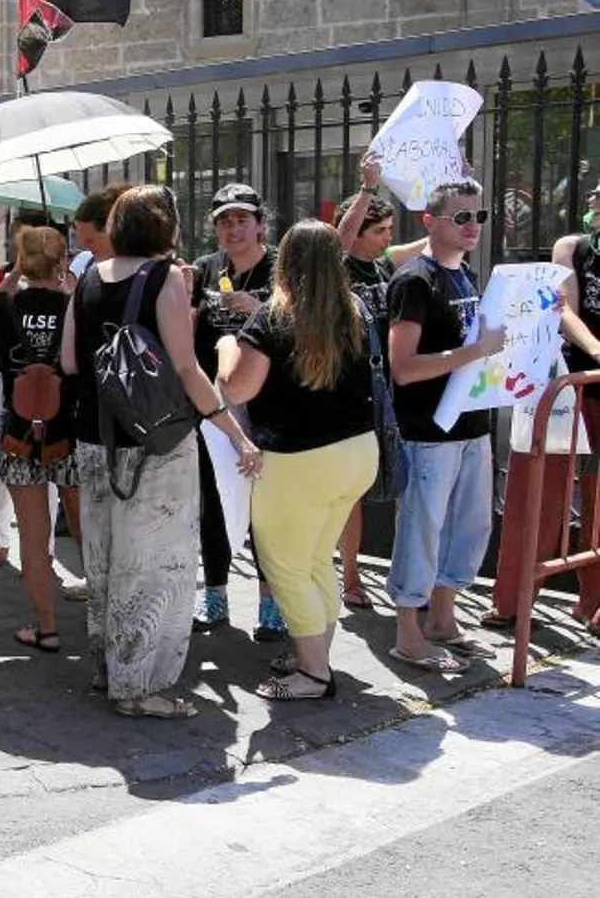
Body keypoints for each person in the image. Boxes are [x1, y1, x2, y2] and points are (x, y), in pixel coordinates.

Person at [60, 186, 262, 720]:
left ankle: (109, 668)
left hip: (94, 437)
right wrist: (234, 433)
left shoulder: (87, 276)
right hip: (156, 442)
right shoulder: (165, 278)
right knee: (154, 566)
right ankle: (138, 685)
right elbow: (186, 368)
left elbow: (70, 362)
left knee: (103, 559)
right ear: (166, 227)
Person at [217, 220, 379, 700]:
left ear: (284, 260)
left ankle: (312, 673)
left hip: (299, 461)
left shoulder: (273, 316)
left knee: (286, 566)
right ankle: (317, 656)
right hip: (356, 453)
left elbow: (237, 387)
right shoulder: (357, 310)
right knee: (314, 560)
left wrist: (228, 346)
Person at [383, 180, 509, 673]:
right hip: (428, 430)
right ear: (430, 222)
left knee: (468, 526)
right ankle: (407, 634)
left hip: (471, 424)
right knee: (422, 527)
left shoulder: (466, 276)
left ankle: (443, 619)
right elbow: (403, 366)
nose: (473, 226)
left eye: (478, 216)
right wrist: (473, 353)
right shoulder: (415, 281)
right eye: (461, 217)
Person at [485, 196, 600, 634]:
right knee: (537, 493)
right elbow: (564, 305)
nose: (590, 198)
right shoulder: (573, 247)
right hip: (568, 384)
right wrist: (594, 349)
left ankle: (591, 602)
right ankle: (513, 599)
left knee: (597, 502)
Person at [187, 182, 285, 641]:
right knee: (212, 502)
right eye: (224, 221)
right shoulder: (206, 269)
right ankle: (215, 595)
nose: (233, 228)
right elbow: (186, 336)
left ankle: (271, 603)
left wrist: (261, 308)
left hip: (269, 405)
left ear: (261, 224)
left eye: (242, 219)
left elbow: (303, 327)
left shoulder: (281, 268)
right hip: (213, 407)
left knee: (266, 507)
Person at [333, 160, 429, 610]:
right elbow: (340, 240)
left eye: (391, 228)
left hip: (391, 392)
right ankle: (349, 575)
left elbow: (432, 240)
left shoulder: (385, 265)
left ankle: (398, 573)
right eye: (380, 230)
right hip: (351, 391)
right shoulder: (338, 268)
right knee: (352, 491)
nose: (388, 236)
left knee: (398, 482)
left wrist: (456, 191)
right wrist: (365, 190)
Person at [0, 226, 76, 652]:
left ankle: (47, 627)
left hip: (19, 432)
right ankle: (102, 624)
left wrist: (13, 275)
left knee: (34, 537)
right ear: (61, 260)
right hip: (69, 431)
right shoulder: (76, 304)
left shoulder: (6, 305)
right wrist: (68, 284)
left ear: (21, 260)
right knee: (86, 532)